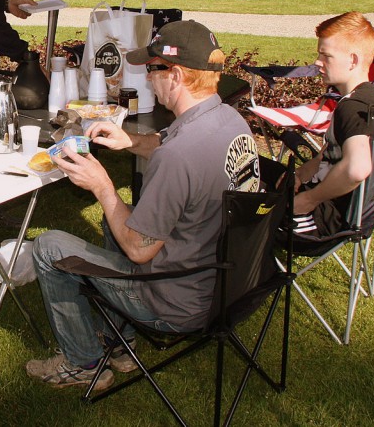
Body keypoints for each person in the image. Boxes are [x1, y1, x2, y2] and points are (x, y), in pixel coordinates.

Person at [26, 21, 260, 390]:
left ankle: (82, 362)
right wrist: (128, 140)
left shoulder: (179, 158)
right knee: (115, 220)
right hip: (226, 280)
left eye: (152, 69)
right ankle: (119, 345)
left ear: (177, 75)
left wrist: (103, 186)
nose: (149, 79)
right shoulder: (229, 120)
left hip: (174, 301)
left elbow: (137, 250)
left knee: (47, 246)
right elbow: (164, 141)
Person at [292, 12, 374, 238]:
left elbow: (357, 168)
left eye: (326, 56)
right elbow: (328, 156)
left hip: (320, 219)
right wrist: (300, 174)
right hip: (326, 206)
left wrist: (308, 200)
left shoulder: (352, 108)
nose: (317, 62)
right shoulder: (366, 98)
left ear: (353, 60)